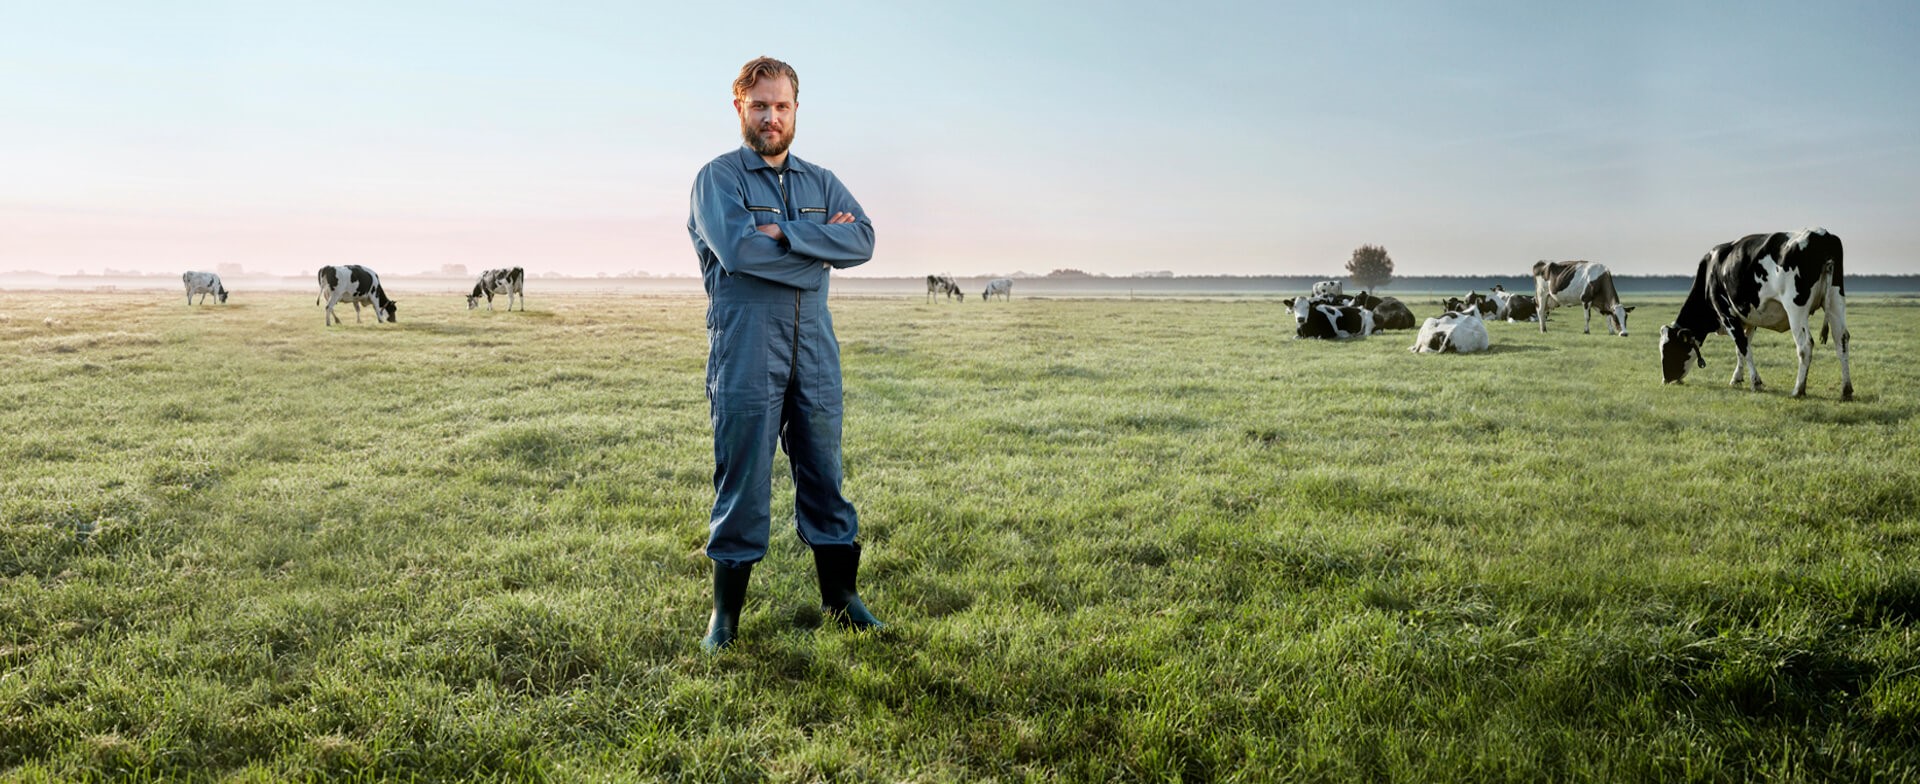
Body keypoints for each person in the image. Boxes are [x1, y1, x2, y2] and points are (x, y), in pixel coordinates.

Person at [687, 56, 882, 651]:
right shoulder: (718, 179)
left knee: (825, 471)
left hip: (815, 348)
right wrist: (821, 251)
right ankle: (726, 616)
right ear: (740, 107)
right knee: (743, 478)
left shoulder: (821, 181)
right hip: (746, 346)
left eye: (782, 106)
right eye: (760, 106)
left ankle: (842, 598)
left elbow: (865, 239)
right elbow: (742, 255)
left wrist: (788, 233)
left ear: (796, 109)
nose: (772, 117)